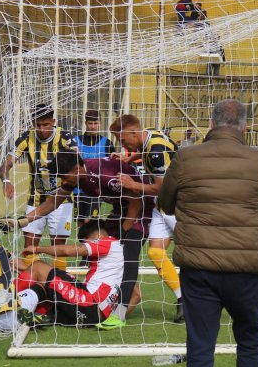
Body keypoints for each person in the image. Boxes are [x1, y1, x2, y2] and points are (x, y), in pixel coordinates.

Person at [158, 99, 258, 367]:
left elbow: (164, 203)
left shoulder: (185, 157)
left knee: (200, 346)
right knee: (250, 341)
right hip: (246, 267)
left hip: (199, 268)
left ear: (210, 122)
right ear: (244, 126)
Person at [11, 151, 154, 330]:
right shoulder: (78, 177)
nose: (63, 181)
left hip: (142, 211)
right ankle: (39, 312)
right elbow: (52, 202)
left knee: (129, 259)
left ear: (77, 169)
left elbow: (136, 201)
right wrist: (23, 221)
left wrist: (123, 232)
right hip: (92, 307)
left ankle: (7, 300)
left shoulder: (104, 176)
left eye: (64, 177)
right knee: (121, 267)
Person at [110, 114, 183, 322]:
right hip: (162, 208)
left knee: (193, 256)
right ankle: (182, 299)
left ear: (133, 132)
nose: (122, 145)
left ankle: (204, 299)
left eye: (123, 141)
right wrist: (129, 158)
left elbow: (160, 188)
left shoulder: (157, 151)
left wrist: (132, 185)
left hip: (179, 207)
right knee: (155, 252)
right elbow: (143, 151)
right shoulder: (148, 135)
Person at [16, 220, 139, 327]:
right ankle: (40, 314)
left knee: (38, 267)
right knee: (48, 285)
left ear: (97, 236)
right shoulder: (124, 257)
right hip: (94, 316)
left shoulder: (106, 242)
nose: (85, 245)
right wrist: (114, 317)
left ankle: (8, 301)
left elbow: (69, 251)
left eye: (86, 242)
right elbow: (137, 294)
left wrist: (37, 249)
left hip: (88, 302)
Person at [0, 104, 76, 271]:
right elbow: (6, 164)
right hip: (36, 200)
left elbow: (77, 161)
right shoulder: (26, 139)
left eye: (45, 124)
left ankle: (57, 288)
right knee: (29, 245)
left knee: (58, 248)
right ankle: (33, 285)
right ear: (33, 123)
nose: (41, 129)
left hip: (62, 201)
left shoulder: (65, 138)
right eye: (37, 125)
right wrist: (6, 181)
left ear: (53, 122)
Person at [73, 109, 113, 223]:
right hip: (78, 189)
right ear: (85, 123)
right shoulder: (75, 142)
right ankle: (83, 242)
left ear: (100, 123)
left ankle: (91, 240)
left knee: (90, 221)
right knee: (80, 223)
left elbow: (112, 166)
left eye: (96, 123)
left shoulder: (107, 143)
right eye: (90, 123)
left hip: (96, 190)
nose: (93, 127)